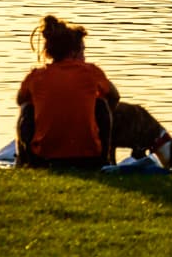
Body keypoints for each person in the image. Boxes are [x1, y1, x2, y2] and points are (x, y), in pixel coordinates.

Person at [15, 15, 120, 169]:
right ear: (73, 51)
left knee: (27, 108)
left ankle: (25, 161)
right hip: (89, 159)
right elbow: (114, 96)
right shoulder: (92, 72)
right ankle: (105, 159)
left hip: (44, 158)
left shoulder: (36, 76)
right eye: (83, 51)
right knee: (101, 104)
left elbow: (20, 100)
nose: (84, 57)